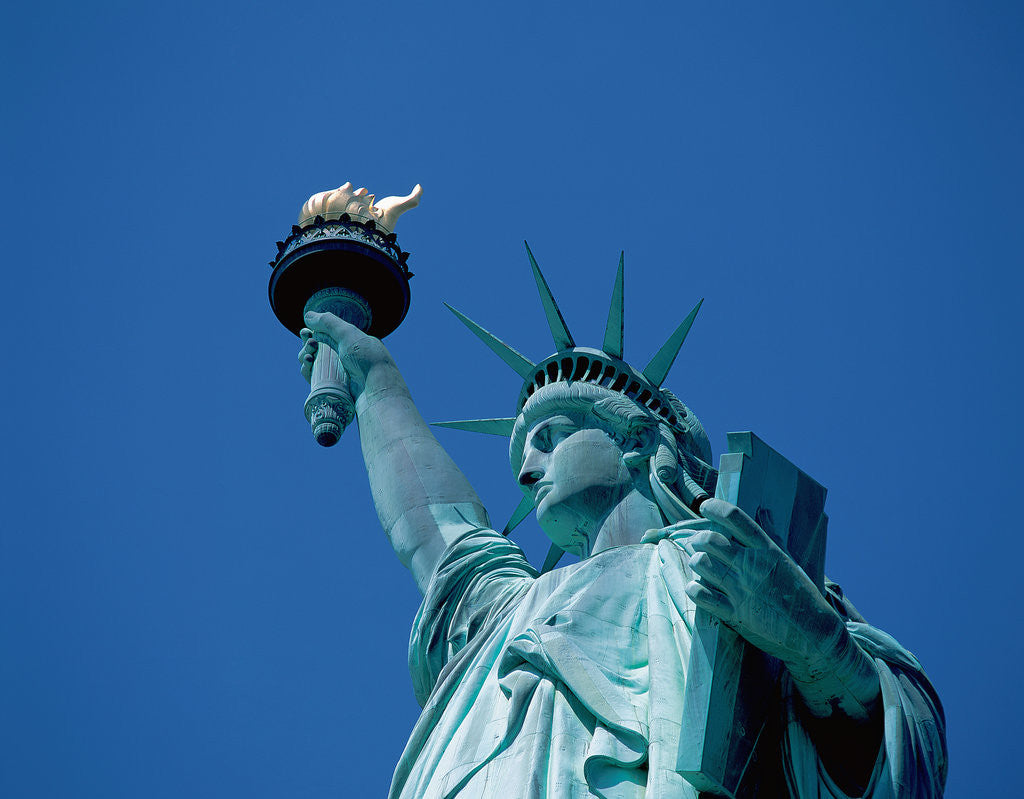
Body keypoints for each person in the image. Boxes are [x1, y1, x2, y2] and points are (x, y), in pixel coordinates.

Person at [297, 277, 946, 798]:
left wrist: (810, 641)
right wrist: (376, 381)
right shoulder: (508, 608)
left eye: (549, 435)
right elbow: (439, 532)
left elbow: (901, 738)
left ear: (635, 439)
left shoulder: (735, 567)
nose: (526, 469)